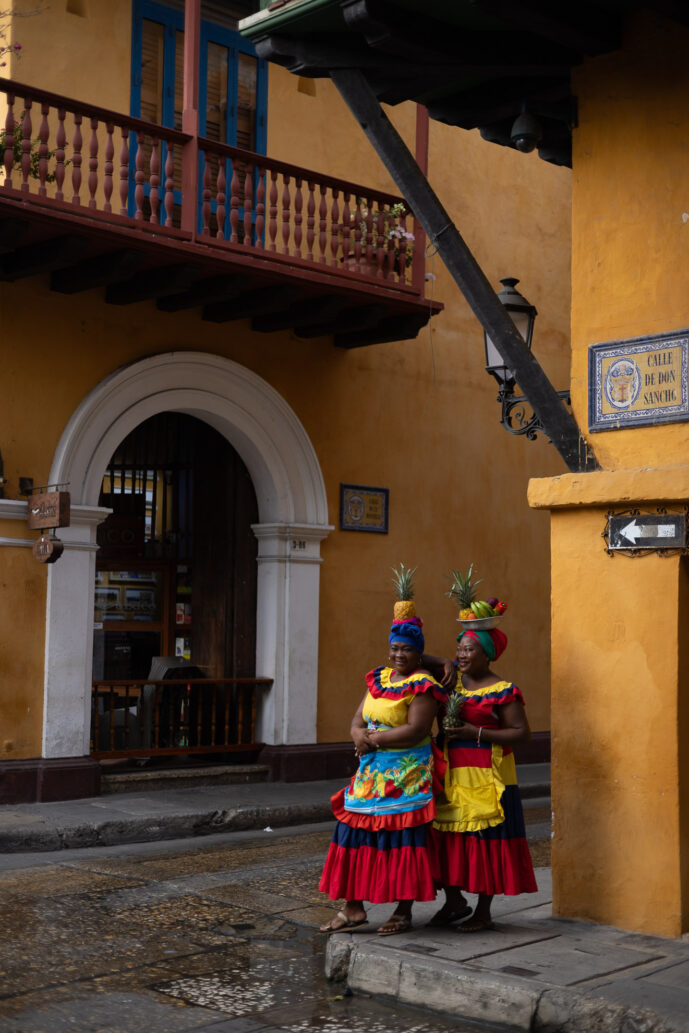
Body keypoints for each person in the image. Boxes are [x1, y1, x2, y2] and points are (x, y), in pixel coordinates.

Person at [319, 616, 446, 935]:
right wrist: (354, 733)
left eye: (406, 649)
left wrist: (372, 739)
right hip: (371, 772)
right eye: (394, 648)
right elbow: (358, 717)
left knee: (401, 837)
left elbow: (416, 729)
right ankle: (353, 907)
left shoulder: (424, 686)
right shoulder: (379, 678)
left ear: (419, 654)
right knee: (355, 831)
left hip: (406, 772)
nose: (398, 655)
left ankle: (403, 911)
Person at [425, 627, 537, 931]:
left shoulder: (503, 689)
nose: (461, 654)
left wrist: (474, 733)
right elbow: (412, 655)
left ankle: (484, 911)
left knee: (486, 841)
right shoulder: (452, 681)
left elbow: (521, 733)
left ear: (487, 654)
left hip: (491, 774)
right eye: (459, 648)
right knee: (447, 835)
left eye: (469, 649)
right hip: (452, 771)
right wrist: (442, 662)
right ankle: (454, 900)